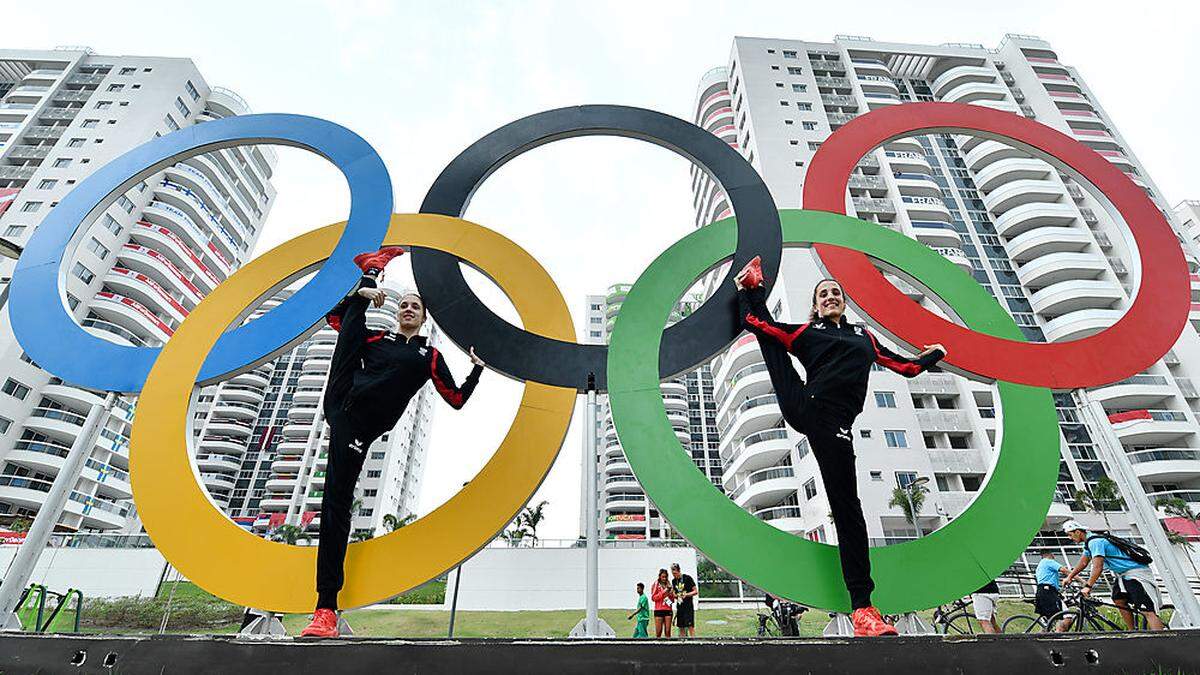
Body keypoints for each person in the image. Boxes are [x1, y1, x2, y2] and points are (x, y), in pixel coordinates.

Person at [733, 257, 945, 637]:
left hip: (838, 425)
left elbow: (907, 368)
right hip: (807, 405)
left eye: (835, 292)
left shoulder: (865, 338)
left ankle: (863, 611)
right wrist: (749, 299)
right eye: (823, 294)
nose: (830, 296)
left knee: (849, 510)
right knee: (773, 344)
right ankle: (863, 607)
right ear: (815, 305)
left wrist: (935, 353)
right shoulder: (807, 332)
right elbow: (758, 325)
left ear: (843, 303)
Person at [300, 247, 486, 638]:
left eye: (415, 306)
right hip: (341, 402)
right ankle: (369, 277)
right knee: (351, 329)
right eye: (403, 303)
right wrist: (359, 298)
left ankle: (325, 609)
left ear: (423, 318)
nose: (407, 309)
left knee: (336, 507)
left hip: (362, 428)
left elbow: (455, 400)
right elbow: (335, 319)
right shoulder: (378, 339)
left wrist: (475, 371)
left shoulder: (428, 355)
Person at [1061, 520, 1165, 631]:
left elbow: (1098, 566)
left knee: (1147, 611)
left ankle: (1162, 641)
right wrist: (1070, 577)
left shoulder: (1095, 542)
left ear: (1077, 532)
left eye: (1070, 535)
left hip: (1135, 574)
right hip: (1123, 575)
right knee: (1119, 600)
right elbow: (1083, 563)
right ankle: (1132, 631)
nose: (1069, 538)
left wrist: (1088, 586)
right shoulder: (1088, 544)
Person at [1034, 551, 1073, 632]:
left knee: (1050, 622)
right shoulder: (1048, 561)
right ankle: (1058, 639)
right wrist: (1082, 581)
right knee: (1067, 618)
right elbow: (1065, 571)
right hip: (1048, 592)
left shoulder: (1040, 565)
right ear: (1051, 555)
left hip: (1042, 592)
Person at [671, 562, 699, 638]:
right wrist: (675, 595)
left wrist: (686, 594)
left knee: (690, 626)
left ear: (679, 570)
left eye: (675, 573)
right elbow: (674, 594)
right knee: (681, 626)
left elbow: (696, 591)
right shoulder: (674, 581)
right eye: (673, 573)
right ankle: (683, 644)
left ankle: (694, 643)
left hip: (688, 607)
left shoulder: (687, 578)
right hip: (680, 607)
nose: (674, 575)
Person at [650, 568, 676, 638]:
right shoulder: (656, 584)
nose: (664, 578)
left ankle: (668, 647)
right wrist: (664, 591)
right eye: (663, 577)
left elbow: (672, 601)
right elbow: (653, 598)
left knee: (668, 632)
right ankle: (658, 647)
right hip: (659, 610)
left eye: (666, 577)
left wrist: (670, 593)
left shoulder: (669, 585)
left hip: (668, 610)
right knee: (658, 632)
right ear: (659, 577)